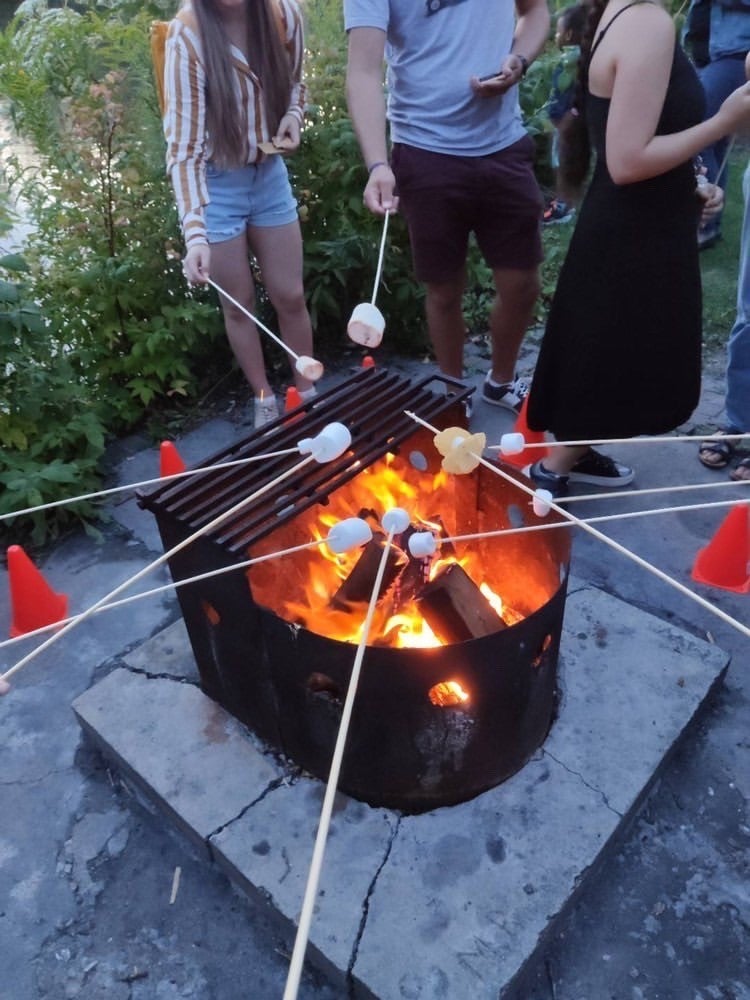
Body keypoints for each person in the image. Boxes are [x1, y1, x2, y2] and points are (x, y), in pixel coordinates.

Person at [524, 0, 750, 498]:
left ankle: (571, 457)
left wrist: (690, 182)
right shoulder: (646, 21)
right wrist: (723, 122)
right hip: (634, 235)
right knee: (621, 355)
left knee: (610, 352)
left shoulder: (621, 10)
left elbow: (635, 130)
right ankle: (551, 473)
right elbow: (627, 161)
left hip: (634, 222)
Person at [344, 0, 551, 416]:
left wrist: (520, 60)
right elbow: (363, 71)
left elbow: (536, 12)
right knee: (443, 290)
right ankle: (452, 388)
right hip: (424, 150)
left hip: (503, 144)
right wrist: (378, 163)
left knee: (522, 284)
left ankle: (501, 381)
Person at [163, 0, 316, 429]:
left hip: (268, 172)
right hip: (216, 183)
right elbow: (184, 150)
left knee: (290, 294)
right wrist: (195, 234)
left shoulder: (284, 13)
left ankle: (307, 391)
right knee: (239, 307)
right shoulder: (188, 35)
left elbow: (298, 84)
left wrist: (292, 116)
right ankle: (265, 398)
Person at [682, 0, 750, 249]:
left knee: (699, 128)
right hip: (713, 53)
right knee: (715, 138)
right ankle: (709, 224)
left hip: (737, 54)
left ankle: (703, 221)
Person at [543, 3, 587, 225]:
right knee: (571, 163)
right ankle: (569, 203)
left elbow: (565, 94)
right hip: (569, 121)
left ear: (569, 34)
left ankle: (563, 207)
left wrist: (562, 119)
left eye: (559, 31)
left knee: (561, 163)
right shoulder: (584, 57)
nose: (557, 36)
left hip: (564, 123)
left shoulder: (570, 60)